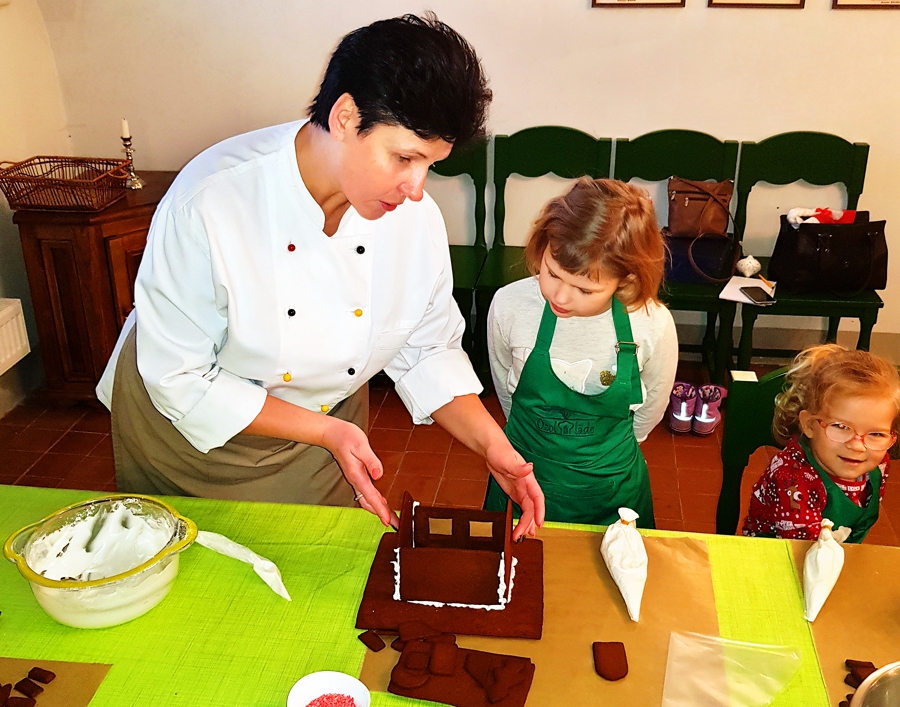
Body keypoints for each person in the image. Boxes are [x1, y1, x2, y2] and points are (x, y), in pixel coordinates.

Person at [96, 14, 544, 540]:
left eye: (430, 165)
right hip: (188, 438)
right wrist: (328, 431)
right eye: (404, 158)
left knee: (311, 565)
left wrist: (493, 446)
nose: (417, 189)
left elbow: (427, 350)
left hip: (328, 432)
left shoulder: (411, 218)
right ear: (347, 116)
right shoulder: (212, 201)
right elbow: (180, 377)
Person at [484, 179, 678, 527]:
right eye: (552, 273)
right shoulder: (510, 306)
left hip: (612, 493)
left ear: (626, 278)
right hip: (522, 479)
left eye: (585, 289)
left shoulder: (652, 323)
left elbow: (651, 408)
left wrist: (602, 455)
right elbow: (505, 386)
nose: (560, 297)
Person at [742, 345, 899, 542]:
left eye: (876, 433)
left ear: (892, 437)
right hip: (782, 556)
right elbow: (801, 551)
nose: (858, 446)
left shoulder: (879, 463)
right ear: (808, 425)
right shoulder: (791, 478)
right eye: (841, 426)